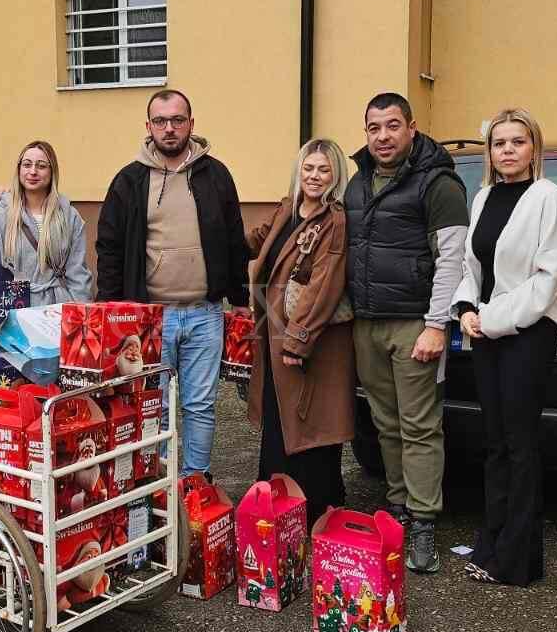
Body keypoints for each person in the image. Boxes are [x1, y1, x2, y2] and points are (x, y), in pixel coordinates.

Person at [453, 108, 557, 587]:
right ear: (489, 152)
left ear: (534, 148)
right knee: (495, 444)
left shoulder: (550, 199)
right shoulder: (484, 197)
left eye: (517, 142)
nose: (507, 150)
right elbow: (472, 266)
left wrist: (489, 319)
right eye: (498, 143)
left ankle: (517, 560)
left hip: (528, 334)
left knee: (520, 445)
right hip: (485, 331)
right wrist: (465, 308)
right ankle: (490, 545)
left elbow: (551, 279)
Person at [345, 92, 468, 575]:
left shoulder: (438, 183)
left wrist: (437, 325)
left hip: (415, 324)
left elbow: (452, 259)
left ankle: (422, 521)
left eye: (392, 126)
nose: (383, 136)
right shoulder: (357, 182)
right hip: (367, 323)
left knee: (419, 426)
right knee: (386, 423)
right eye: (374, 128)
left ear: (412, 128)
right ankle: (397, 505)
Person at [97, 89, 249, 478]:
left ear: (191, 125)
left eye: (177, 120)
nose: (169, 128)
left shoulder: (216, 175)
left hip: (204, 315)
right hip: (151, 320)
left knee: (200, 406)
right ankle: (158, 483)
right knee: (155, 406)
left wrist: (240, 298)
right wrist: (110, 308)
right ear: (148, 126)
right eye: (161, 121)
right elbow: (110, 248)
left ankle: (195, 481)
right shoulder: (129, 180)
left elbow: (234, 238)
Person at [245, 138, 356, 526]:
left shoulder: (334, 220)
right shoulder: (287, 208)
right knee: (281, 424)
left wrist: (298, 340)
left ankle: (310, 513)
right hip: (277, 336)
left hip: (310, 343)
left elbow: (323, 285)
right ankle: (278, 513)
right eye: (309, 168)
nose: (314, 176)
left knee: (309, 429)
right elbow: (257, 240)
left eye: (324, 169)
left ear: (335, 175)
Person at [0, 140, 94, 306]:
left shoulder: (69, 217)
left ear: (52, 171)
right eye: (27, 165)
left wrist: (81, 313)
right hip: (14, 310)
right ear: (19, 170)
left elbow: (78, 275)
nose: (33, 171)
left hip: (57, 309)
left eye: (41, 166)